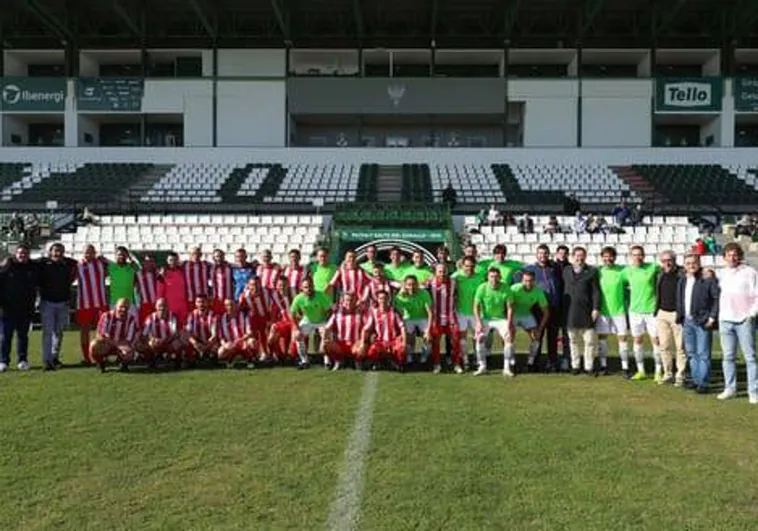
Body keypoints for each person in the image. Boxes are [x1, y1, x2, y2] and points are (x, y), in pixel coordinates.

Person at [715, 243, 758, 404]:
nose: (732, 258)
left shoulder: (750, 272)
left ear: (740, 256)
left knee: (750, 358)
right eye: (729, 255)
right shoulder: (722, 273)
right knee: (728, 357)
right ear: (724, 257)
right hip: (725, 320)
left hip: (744, 321)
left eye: (735, 255)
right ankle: (730, 388)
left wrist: (751, 314)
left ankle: (753, 391)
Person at [677, 254, 719, 394]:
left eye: (694, 263)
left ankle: (704, 382)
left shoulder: (707, 279)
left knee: (703, 353)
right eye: (688, 263)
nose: (691, 265)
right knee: (691, 353)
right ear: (684, 266)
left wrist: (712, 317)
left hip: (702, 321)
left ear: (699, 263)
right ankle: (695, 380)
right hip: (687, 321)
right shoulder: (683, 279)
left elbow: (716, 299)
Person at [35, 242, 77, 370]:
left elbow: (76, 262)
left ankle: (54, 357)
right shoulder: (42, 263)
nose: (58, 253)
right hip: (47, 303)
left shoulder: (68, 264)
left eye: (61, 251)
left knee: (58, 333)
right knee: (48, 333)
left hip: (63, 303)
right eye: (55, 250)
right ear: (50, 252)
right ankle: (47, 360)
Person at [624, 245, 661, 381]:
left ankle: (658, 371)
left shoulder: (653, 267)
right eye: (634, 255)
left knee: (655, 340)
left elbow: (669, 269)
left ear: (644, 256)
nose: (637, 257)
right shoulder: (626, 271)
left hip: (651, 311)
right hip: (634, 312)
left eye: (639, 254)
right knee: (637, 340)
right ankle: (641, 371)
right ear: (630, 257)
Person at [0, 244, 38, 372]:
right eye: (20, 253)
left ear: (29, 255)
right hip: (7, 309)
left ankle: (22, 360)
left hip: (25, 309)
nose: (23, 255)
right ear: (15, 254)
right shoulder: (7, 267)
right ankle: (3, 361)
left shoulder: (32, 268)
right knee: (5, 337)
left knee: (23, 337)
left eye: (25, 253)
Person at [525, 245, 563, 372]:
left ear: (549, 254)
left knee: (552, 337)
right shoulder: (530, 269)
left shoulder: (555, 268)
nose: (543, 255)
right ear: (537, 255)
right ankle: (534, 362)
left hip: (554, 307)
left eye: (545, 253)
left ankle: (552, 362)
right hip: (538, 309)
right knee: (537, 336)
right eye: (540, 253)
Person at [562, 246, 599, 376]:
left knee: (589, 341)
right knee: (573, 341)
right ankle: (575, 366)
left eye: (582, 255)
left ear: (585, 256)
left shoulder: (592, 271)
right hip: (570, 311)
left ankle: (589, 367)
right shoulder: (566, 270)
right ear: (572, 256)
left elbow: (595, 292)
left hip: (586, 311)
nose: (579, 258)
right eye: (577, 255)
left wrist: (595, 308)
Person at [595, 247, 629, 377]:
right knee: (602, 339)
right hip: (603, 311)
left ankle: (625, 367)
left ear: (615, 257)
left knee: (623, 338)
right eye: (605, 256)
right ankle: (603, 366)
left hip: (619, 311)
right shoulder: (598, 272)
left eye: (610, 256)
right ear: (601, 257)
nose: (608, 259)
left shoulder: (622, 271)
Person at [473, 268, 514, 377]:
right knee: (480, 338)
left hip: (500, 319)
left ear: (500, 277)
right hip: (486, 318)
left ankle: (506, 368)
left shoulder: (505, 288)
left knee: (508, 338)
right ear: (487, 277)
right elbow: (475, 307)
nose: (494, 279)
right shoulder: (482, 287)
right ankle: (482, 366)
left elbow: (509, 308)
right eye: (491, 276)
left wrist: (509, 323)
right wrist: (478, 322)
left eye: (496, 276)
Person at [655, 250, 686, 386]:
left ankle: (681, 374)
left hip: (677, 314)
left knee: (680, 347)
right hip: (662, 314)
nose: (667, 263)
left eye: (669, 260)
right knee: (664, 346)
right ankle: (668, 373)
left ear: (674, 260)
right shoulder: (660, 274)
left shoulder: (682, 274)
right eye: (664, 260)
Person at [510, 271, 549, 372]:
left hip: (526, 314)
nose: (528, 283)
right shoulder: (514, 289)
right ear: (522, 280)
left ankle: (530, 363)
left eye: (530, 281)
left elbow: (546, 312)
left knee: (536, 337)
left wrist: (540, 329)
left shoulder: (538, 291)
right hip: (513, 315)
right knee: (509, 337)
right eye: (526, 281)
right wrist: (508, 322)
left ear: (534, 281)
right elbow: (507, 306)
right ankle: (512, 363)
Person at [76, 244, 109, 364]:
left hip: (100, 303)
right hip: (84, 304)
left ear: (95, 252)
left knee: (103, 330)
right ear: (83, 253)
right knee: (85, 330)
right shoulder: (77, 265)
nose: (89, 254)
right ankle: (86, 357)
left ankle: (102, 355)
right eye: (86, 252)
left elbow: (111, 271)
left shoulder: (101, 264)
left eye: (91, 252)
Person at [291, 277, 333, 369]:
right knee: (297, 336)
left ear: (313, 286)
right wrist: (297, 329)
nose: (308, 289)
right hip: (307, 320)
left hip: (322, 320)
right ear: (301, 288)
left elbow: (330, 311)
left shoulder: (321, 295)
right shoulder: (298, 298)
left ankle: (327, 361)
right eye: (305, 287)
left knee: (327, 336)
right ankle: (304, 361)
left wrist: (327, 325)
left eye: (310, 286)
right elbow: (293, 314)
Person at [452, 256, 485, 372]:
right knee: (462, 338)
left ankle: (478, 360)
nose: (469, 268)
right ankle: (465, 360)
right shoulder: (456, 277)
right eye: (466, 266)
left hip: (476, 313)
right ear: (462, 266)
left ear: (474, 266)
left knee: (477, 337)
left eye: (471, 266)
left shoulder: (480, 278)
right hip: (461, 312)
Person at [429, 263, 462, 374]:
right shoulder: (430, 283)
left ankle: (456, 363)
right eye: (440, 271)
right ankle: (437, 364)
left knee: (456, 340)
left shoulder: (453, 283)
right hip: (436, 318)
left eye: (444, 271)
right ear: (435, 272)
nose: (442, 274)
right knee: (436, 342)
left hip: (451, 317)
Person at [90, 298, 139, 373]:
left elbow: (129, 339)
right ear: (116, 306)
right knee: (94, 345)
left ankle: (123, 364)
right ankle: (100, 363)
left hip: (121, 345)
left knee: (129, 351)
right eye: (121, 307)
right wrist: (116, 344)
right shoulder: (106, 316)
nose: (123, 309)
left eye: (126, 307)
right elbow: (100, 335)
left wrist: (123, 347)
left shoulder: (131, 319)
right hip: (107, 344)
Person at [393, 275, 433, 366]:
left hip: (422, 317)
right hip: (409, 318)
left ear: (417, 284)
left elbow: (430, 312)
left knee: (428, 338)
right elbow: (400, 312)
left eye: (414, 284)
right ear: (405, 285)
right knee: (408, 337)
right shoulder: (400, 296)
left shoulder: (424, 293)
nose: (411, 287)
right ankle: (410, 355)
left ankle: (425, 356)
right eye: (409, 285)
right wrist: (400, 295)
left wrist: (428, 330)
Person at [362, 290, 407, 371]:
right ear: (377, 300)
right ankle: (378, 362)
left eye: (385, 298)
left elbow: (402, 327)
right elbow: (366, 328)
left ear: (388, 299)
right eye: (380, 298)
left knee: (401, 349)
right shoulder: (374, 312)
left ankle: (398, 363)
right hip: (380, 341)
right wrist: (363, 342)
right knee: (372, 351)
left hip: (393, 340)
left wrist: (404, 342)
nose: (383, 300)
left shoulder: (393, 311)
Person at [321, 292, 364, 372]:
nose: (349, 302)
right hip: (341, 344)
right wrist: (324, 338)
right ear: (343, 301)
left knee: (363, 345)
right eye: (347, 300)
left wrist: (362, 341)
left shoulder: (360, 312)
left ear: (356, 301)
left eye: (352, 300)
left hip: (355, 344)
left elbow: (366, 328)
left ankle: (358, 362)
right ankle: (338, 361)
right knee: (325, 344)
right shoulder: (337, 313)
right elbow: (327, 327)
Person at [142, 298, 185, 369]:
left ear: (167, 307)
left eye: (164, 306)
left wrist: (165, 340)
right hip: (156, 342)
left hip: (169, 341)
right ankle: (152, 361)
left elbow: (176, 333)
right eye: (159, 306)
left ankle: (177, 361)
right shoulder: (150, 317)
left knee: (178, 342)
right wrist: (152, 339)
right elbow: (144, 334)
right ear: (155, 307)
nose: (162, 308)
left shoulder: (173, 316)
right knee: (149, 343)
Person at [216, 298, 255, 369]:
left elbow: (249, 332)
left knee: (252, 342)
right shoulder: (222, 318)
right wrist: (225, 345)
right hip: (230, 343)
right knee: (220, 353)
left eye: (231, 305)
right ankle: (231, 358)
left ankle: (249, 359)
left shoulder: (244, 315)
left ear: (236, 305)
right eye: (227, 305)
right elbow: (221, 337)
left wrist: (241, 340)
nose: (229, 307)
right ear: (225, 306)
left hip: (243, 341)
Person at [238, 277, 270, 361]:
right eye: (252, 285)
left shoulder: (267, 292)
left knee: (266, 335)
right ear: (248, 285)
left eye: (256, 284)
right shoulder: (244, 295)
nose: (254, 287)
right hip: (252, 319)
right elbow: (241, 310)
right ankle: (255, 354)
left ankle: (267, 353)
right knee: (252, 337)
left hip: (266, 318)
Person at [266, 275, 296, 362]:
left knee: (296, 333)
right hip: (283, 322)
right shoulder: (274, 296)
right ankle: (273, 355)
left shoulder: (294, 293)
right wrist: (273, 322)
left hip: (294, 321)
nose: (282, 287)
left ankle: (292, 356)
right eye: (280, 285)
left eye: (284, 285)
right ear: (276, 286)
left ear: (288, 285)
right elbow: (273, 312)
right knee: (272, 331)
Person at [158, 252, 189, 325]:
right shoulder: (163, 273)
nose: (173, 262)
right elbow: (160, 290)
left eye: (175, 260)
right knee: (171, 324)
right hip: (169, 304)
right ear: (167, 261)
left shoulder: (182, 272)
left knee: (183, 324)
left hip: (182, 304)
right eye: (171, 260)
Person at [185, 296, 216, 363]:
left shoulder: (213, 315)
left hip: (209, 342)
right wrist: (195, 343)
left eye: (203, 302)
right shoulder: (191, 315)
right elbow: (188, 333)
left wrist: (206, 346)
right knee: (185, 342)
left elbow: (214, 335)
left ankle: (210, 357)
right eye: (199, 302)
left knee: (216, 349)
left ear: (207, 303)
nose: (201, 304)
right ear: (195, 304)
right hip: (197, 342)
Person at [183, 246, 211, 311]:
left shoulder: (206, 264)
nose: (195, 255)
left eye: (197, 254)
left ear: (201, 255)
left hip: (203, 298)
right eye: (193, 253)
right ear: (190, 254)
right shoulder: (184, 264)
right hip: (190, 297)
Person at [135, 256, 160, 324]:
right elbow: (135, 288)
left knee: (157, 325)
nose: (149, 263)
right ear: (143, 263)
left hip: (157, 305)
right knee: (144, 324)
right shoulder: (138, 274)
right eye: (147, 261)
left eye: (152, 261)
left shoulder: (159, 274)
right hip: (145, 304)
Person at [210, 249, 234, 315]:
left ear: (224, 257)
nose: (219, 258)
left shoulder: (230, 267)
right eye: (217, 256)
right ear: (213, 258)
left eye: (221, 256)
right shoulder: (210, 268)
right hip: (216, 299)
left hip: (228, 298)